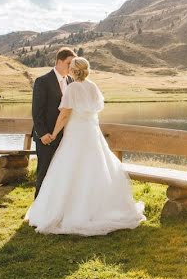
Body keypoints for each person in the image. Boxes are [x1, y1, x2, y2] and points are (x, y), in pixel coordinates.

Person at [25, 57, 146, 235]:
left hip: (75, 134)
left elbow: (65, 114)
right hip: (91, 134)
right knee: (94, 169)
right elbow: (95, 111)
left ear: (73, 71)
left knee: (71, 168)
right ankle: (98, 209)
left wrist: (55, 133)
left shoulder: (73, 87)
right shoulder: (93, 86)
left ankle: (70, 211)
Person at [31, 47, 75, 197]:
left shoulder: (71, 82)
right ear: (59, 61)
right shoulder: (42, 81)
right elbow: (37, 111)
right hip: (46, 137)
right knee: (44, 172)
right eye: (69, 63)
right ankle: (37, 208)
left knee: (60, 174)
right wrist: (42, 133)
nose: (71, 67)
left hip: (64, 137)